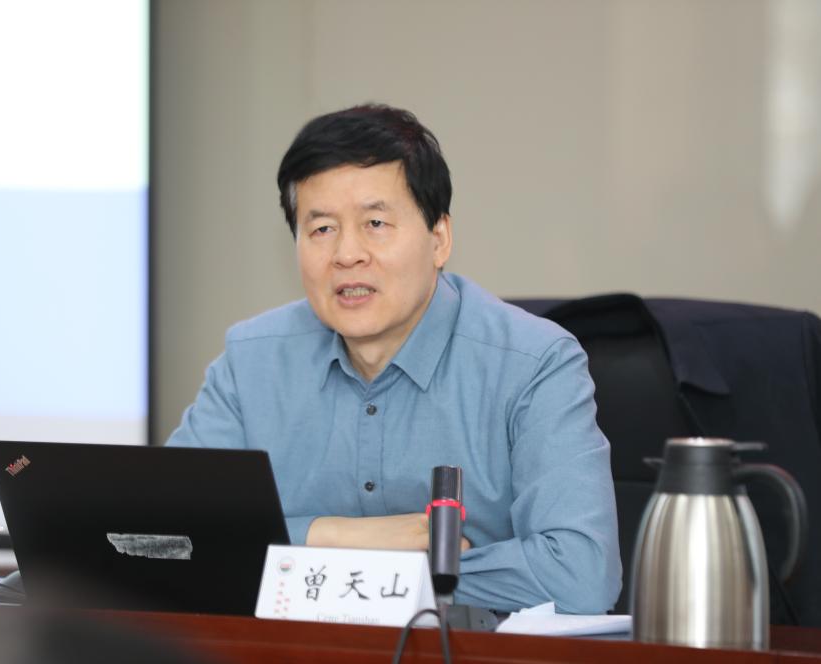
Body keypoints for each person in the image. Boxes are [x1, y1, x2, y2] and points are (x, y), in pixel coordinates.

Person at [166, 104, 621, 614]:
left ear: (439, 239)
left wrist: (359, 573)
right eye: (322, 229)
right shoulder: (251, 361)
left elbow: (580, 575)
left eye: (376, 223)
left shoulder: (534, 363)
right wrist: (336, 535)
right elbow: (162, 536)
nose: (347, 254)